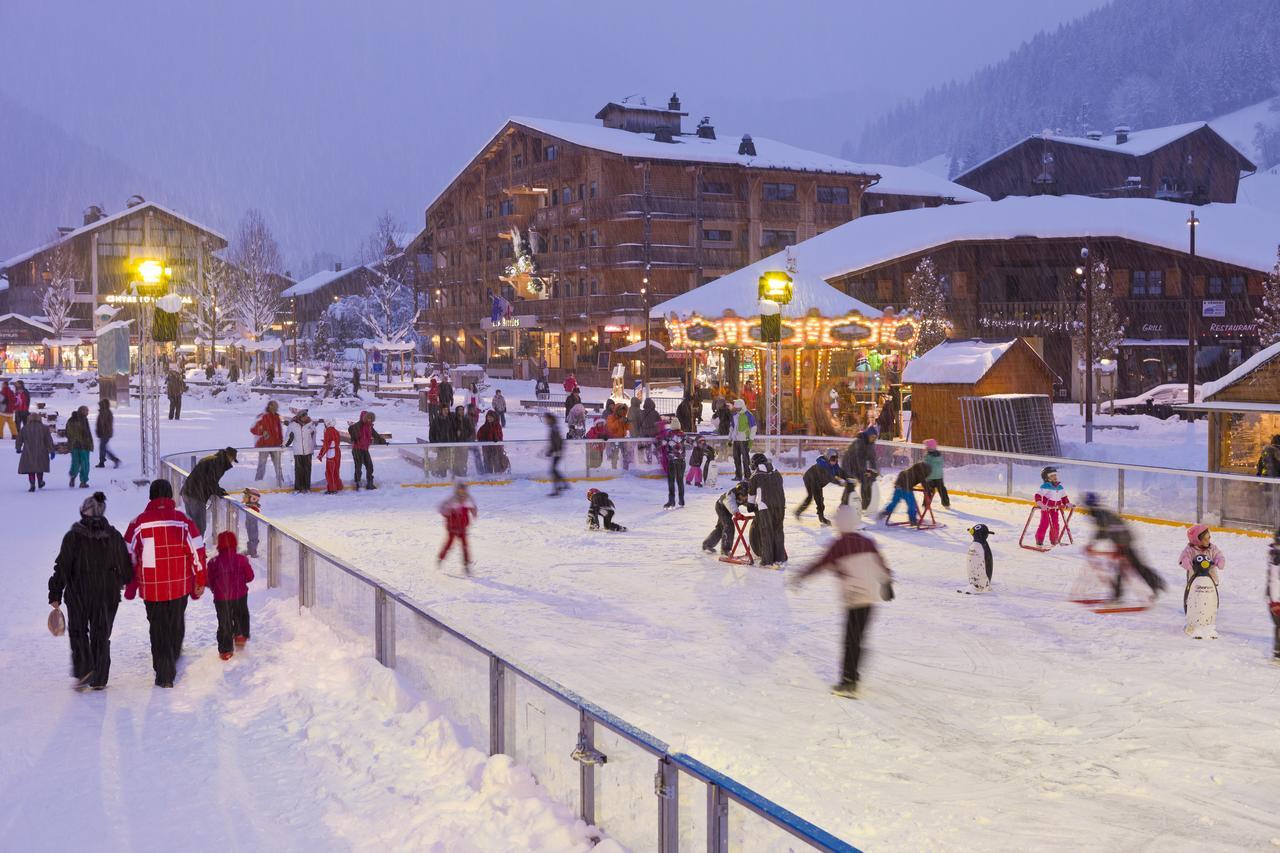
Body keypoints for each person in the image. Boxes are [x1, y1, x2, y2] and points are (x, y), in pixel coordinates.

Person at [789, 505, 894, 698]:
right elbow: (881, 565)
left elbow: (819, 564)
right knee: (857, 638)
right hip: (870, 598)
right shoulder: (867, 542)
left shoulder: (839, 545)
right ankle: (854, 675)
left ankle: (848, 682)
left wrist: (801, 576)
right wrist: (887, 583)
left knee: (850, 641)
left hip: (854, 598)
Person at [124, 479, 207, 688]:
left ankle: (163, 672)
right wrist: (200, 578)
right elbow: (197, 551)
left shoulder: (138, 523)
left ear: (150, 496)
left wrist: (130, 581)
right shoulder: (183, 520)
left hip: (151, 587)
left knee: (158, 626)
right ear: (170, 496)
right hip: (179, 584)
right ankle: (173, 652)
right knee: (176, 621)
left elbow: (128, 555)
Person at [48, 490, 133, 689]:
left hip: (79, 592)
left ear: (83, 512)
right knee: (101, 633)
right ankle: (100, 678)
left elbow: (62, 567)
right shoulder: (113, 536)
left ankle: (85, 669)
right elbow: (126, 569)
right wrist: (116, 581)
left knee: (78, 632)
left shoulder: (73, 537)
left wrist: (55, 592)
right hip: (107, 594)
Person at [1082, 493, 1166, 600]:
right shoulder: (1100, 512)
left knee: (1126, 567)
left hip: (1123, 541)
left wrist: (1091, 544)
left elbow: (1102, 531)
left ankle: (1119, 594)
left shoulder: (1099, 514)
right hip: (1122, 540)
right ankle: (1155, 584)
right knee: (1133, 566)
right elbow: (1105, 530)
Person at [207, 530, 254, 660]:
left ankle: (225, 649)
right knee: (241, 614)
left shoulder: (213, 562)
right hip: (240, 594)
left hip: (222, 597)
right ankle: (240, 634)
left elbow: (209, 580)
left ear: (219, 545)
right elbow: (250, 576)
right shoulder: (242, 559)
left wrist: (215, 589)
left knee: (225, 621)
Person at [180, 447, 238, 536]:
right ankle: (197, 547)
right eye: (232, 459)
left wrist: (218, 490)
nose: (231, 462)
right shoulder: (218, 463)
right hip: (196, 495)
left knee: (191, 524)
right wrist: (219, 491)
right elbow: (211, 481)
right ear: (229, 457)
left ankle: (191, 546)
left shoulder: (212, 459)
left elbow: (210, 479)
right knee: (199, 526)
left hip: (187, 492)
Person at [748, 453, 788, 566]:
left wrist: (750, 507)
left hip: (765, 506)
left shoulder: (755, 476)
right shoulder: (777, 472)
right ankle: (780, 557)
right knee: (778, 530)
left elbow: (751, 495)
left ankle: (767, 560)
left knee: (767, 532)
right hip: (781, 504)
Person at [795, 449, 847, 524]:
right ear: (828, 458)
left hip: (818, 481)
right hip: (810, 479)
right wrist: (839, 482)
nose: (834, 461)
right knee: (815, 498)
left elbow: (841, 473)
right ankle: (801, 513)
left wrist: (849, 477)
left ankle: (820, 517)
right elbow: (830, 477)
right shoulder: (822, 466)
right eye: (832, 458)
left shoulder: (834, 466)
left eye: (836, 459)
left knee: (819, 498)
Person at [703, 482, 752, 555]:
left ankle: (707, 544)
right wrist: (737, 513)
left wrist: (756, 509)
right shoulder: (731, 494)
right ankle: (725, 550)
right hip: (721, 507)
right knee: (728, 525)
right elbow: (730, 504)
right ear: (739, 493)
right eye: (744, 496)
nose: (745, 498)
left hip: (729, 510)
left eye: (747, 496)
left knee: (721, 528)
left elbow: (750, 504)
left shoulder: (744, 496)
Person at [437, 483, 477, 574]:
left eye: (463, 490)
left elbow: (473, 509)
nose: (462, 492)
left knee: (465, 546)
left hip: (462, 528)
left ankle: (466, 565)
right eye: (460, 490)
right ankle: (441, 558)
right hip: (452, 528)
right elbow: (441, 509)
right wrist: (448, 512)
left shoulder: (467, 499)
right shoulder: (452, 500)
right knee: (449, 544)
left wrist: (474, 511)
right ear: (457, 491)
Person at [841, 427, 880, 510]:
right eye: (872, 437)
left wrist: (875, 471)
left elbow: (873, 459)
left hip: (857, 465)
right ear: (868, 435)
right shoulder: (859, 442)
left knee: (866, 480)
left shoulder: (870, 445)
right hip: (848, 465)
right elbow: (859, 458)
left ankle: (866, 505)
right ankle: (844, 504)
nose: (874, 439)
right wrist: (863, 471)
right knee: (851, 483)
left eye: (875, 437)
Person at [883, 461, 930, 525]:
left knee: (895, 501)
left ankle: (887, 510)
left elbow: (901, 474)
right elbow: (924, 483)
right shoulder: (921, 473)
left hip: (898, 486)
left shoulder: (910, 470)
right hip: (906, 489)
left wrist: (898, 484)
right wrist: (928, 490)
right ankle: (912, 519)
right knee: (912, 504)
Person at [1034, 466, 1071, 547]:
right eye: (1051, 476)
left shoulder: (1060, 487)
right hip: (1046, 508)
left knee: (1055, 524)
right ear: (1046, 478)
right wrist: (1040, 503)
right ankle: (1039, 540)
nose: (1054, 477)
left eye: (1055, 475)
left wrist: (1067, 503)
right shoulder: (1045, 486)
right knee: (1045, 523)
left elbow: (1064, 497)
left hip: (1055, 509)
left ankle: (1054, 540)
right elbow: (1038, 495)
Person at [251, 400, 285, 487]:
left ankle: (281, 483)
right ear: (270, 406)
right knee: (261, 466)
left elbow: (280, 432)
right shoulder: (262, 416)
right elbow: (253, 429)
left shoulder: (277, 417)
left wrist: (281, 445)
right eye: (275, 406)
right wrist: (262, 431)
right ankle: (258, 484)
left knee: (278, 466)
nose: (277, 408)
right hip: (264, 446)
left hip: (276, 446)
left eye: (277, 406)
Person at [349, 410, 386, 490]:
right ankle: (357, 483)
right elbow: (351, 429)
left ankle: (370, 483)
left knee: (370, 466)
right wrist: (355, 436)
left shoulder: (369, 427)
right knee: (358, 468)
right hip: (357, 449)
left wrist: (382, 441)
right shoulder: (358, 425)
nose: (369, 420)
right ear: (363, 418)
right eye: (368, 418)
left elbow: (376, 435)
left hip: (365, 449)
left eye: (371, 418)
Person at [16, 411, 53, 491]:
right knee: (40, 467)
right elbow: (49, 440)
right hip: (42, 451)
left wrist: (18, 448)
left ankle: (32, 483)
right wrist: (51, 450)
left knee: (30, 469)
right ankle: (40, 482)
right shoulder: (44, 428)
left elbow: (19, 439)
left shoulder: (25, 428)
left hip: (28, 451)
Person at [285, 410, 316, 492]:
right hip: (298, 451)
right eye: (304, 416)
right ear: (300, 417)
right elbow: (288, 435)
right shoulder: (292, 425)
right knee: (298, 470)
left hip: (308, 450)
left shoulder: (311, 424)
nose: (306, 417)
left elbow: (314, 436)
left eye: (306, 415)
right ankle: (298, 488)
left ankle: (307, 488)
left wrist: (313, 446)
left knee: (307, 470)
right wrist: (284, 444)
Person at [65, 405, 94, 488]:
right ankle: (83, 482)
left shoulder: (70, 420)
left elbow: (67, 432)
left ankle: (73, 476)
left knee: (75, 463)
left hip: (73, 445)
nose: (88, 412)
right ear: (82, 411)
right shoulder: (83, 420)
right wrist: (89, 444)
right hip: (83, 445)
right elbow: (86, 434)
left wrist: (71, 441)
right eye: (87, 411)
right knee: (85, 464)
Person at [660, 429, 688, 508]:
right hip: (681, 461)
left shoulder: (669, 435)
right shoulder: (683, 435)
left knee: (671, 481)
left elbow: (662, 443)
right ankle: (681, 500)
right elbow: (692, 442)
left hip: (673, 462)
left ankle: (672, 501)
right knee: (680, 481)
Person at [728, 399, 756, 480]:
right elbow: (732, 428)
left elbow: (754, 427)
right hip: (736, 440)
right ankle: (738, 475)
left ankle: (747, 476)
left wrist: (751, 440)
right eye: (736, 408)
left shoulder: (748, 415)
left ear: (742, 407)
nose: (737, 410)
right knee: (736, 458)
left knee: (745, 459)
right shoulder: (734, 415)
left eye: (738, 408)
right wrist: (730, 439)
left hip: (744, 440)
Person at [316, 419, 343, 493]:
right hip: (337, 452)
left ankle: (332, 489)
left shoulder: (328, 431)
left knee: (329, 472)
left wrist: (320, 455)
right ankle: (338, 486)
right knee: (336, 471)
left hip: (331, 453)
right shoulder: (336, 431)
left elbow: (326, 445)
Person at [544, 412, 568, 495]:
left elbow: (557, 441)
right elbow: (555, 441)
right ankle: (565, 484)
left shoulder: (554, 427)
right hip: (557, 451)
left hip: (557, 452)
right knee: (554, 470)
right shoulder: (553, 427)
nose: (545, 420)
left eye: (546, 418)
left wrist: (554, 451)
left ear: (550, 419)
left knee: (553, 470)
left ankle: (557, 490)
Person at [922, 439, 949, 508]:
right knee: (942, 490)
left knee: (929, 490)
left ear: (929, 447)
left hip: (930, 477)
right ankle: (946, 503)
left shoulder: (927, 456)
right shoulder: (939, 455)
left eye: (926, 446)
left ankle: (926, 504)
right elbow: (941, 464)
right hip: (939, 476)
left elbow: (925, 466)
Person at [1266, 528, 1280, 660]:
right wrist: (1275, 602)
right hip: (1276, 598)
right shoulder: (1276, 557)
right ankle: (1278, 652)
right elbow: (1274, 581)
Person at [95, 399, 120, 468]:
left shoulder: (106, 412)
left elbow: (105, 424)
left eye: (101, 405)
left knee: (103, 448)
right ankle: (101, 462)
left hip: (105, 433)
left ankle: (115, 459)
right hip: (102, 433)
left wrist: (103, 432)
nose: (99, 406)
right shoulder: (102, 412)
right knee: (102, 448)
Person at [605, 404, 631, 470]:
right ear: (617, 410)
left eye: (623, 411)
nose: (622, 412)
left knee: (626, 455)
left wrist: (627, 422)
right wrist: (618, 422)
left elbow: (629, 428)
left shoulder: (624, 417)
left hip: (623, 438)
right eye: (621, 411)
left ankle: (626, 469)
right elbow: (610, 428)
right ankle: (614, 469)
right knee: (615, 455)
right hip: (614, 439)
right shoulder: (610, 417)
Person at [241, 488, 262, 557]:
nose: (244, 498)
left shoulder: (253, 508)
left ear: (253, 498)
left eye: (246, 496)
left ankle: (253, 552)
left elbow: (257, 511)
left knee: (253, 538)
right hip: (249, 524)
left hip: (253, 525)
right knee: (251, 537)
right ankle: (250, 550)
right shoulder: (248, 506)